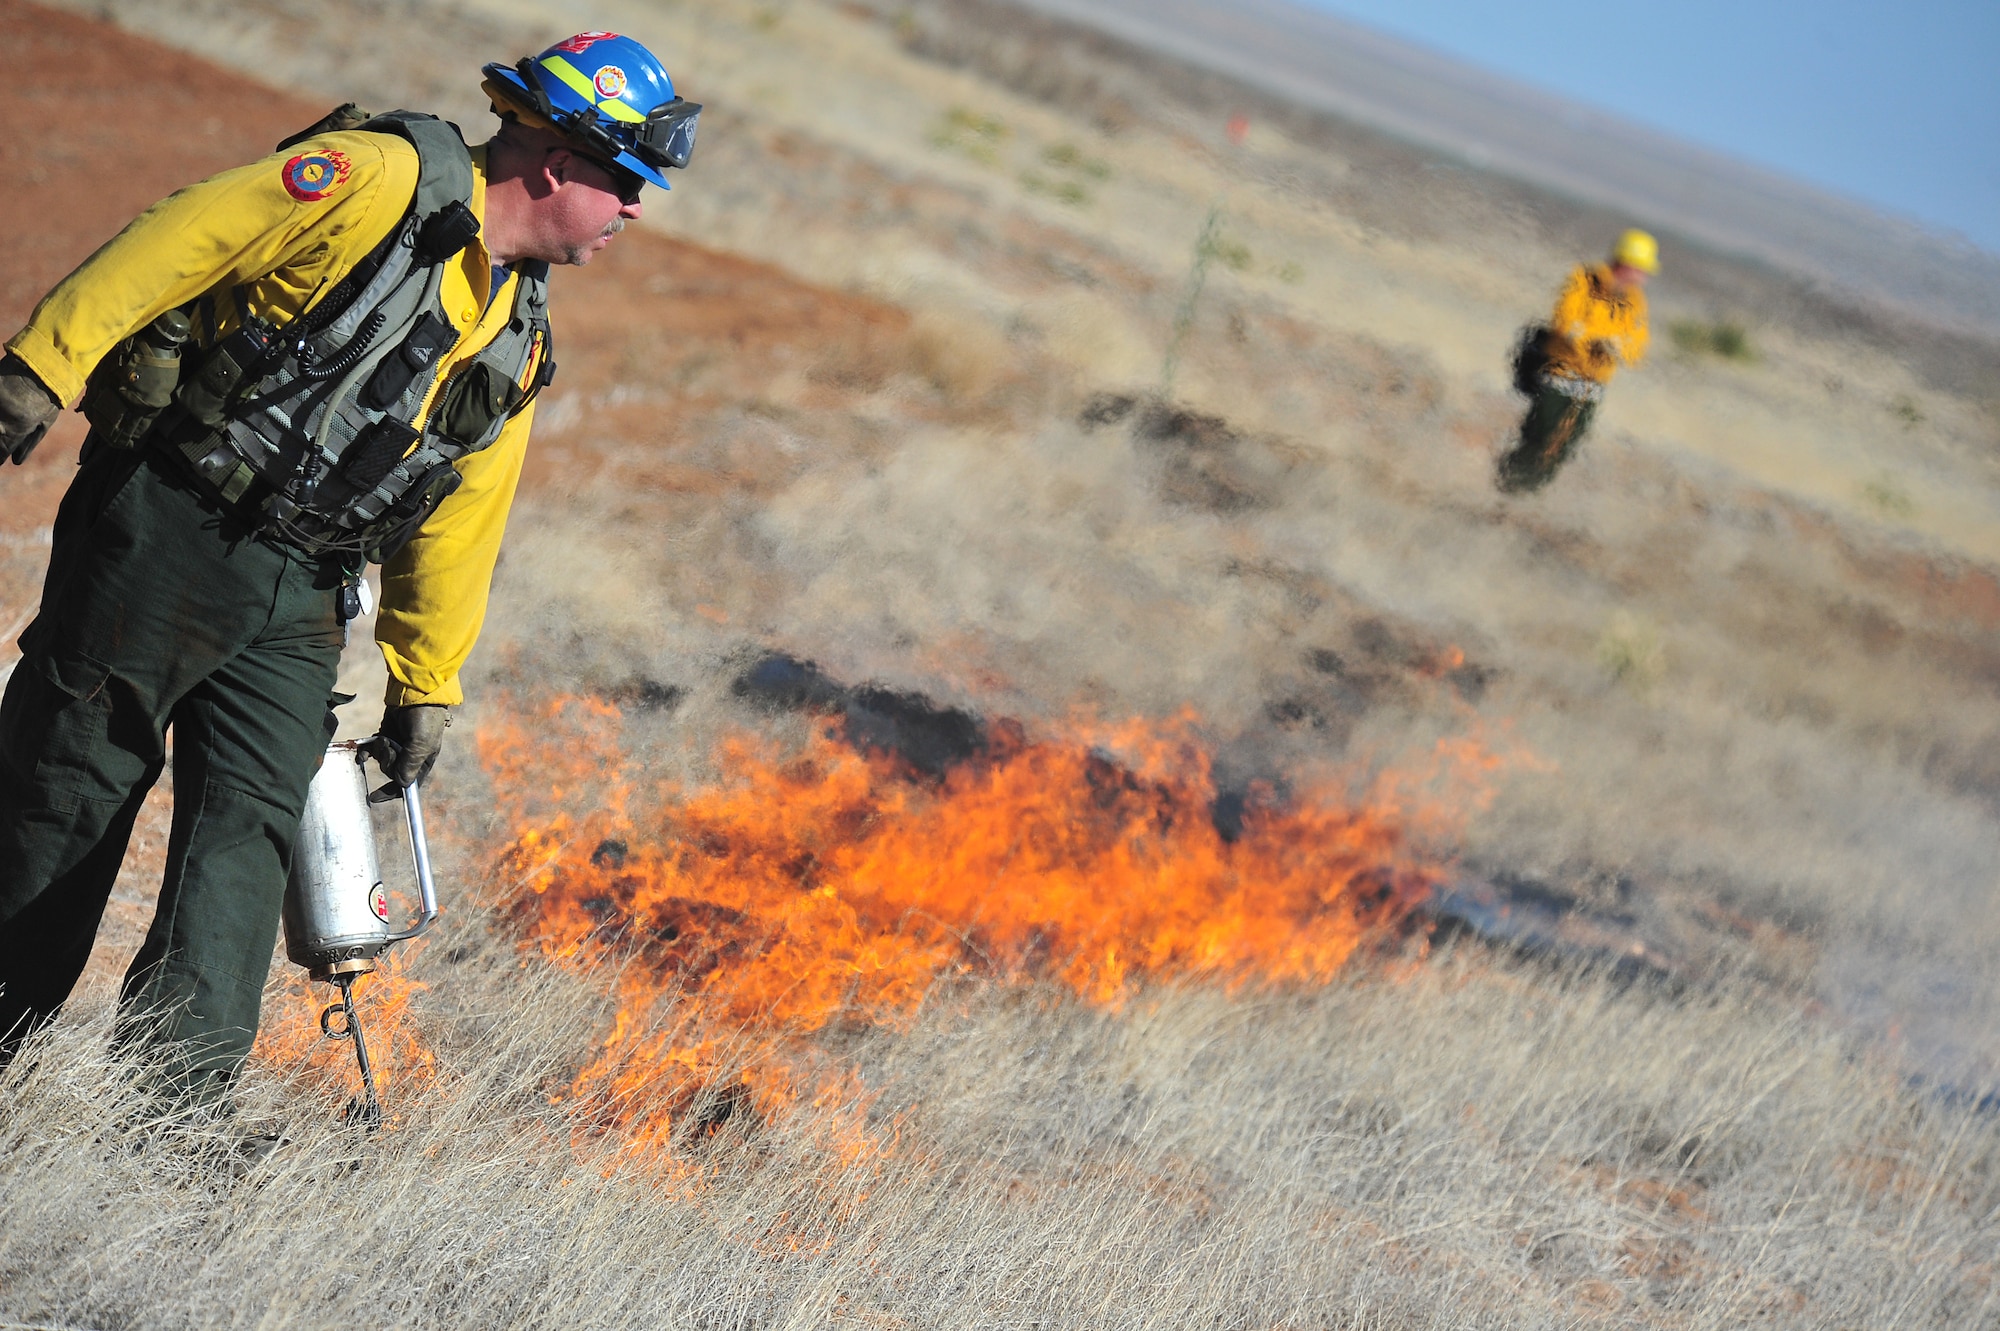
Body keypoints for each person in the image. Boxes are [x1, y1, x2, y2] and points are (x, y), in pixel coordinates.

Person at [0, 31, 700, 1103]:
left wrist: (427, 684)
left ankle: (173, 1109)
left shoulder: (514, 329)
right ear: (556, 163)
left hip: (303, 593)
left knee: (249, 824)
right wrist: (40, 366)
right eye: (627, 182)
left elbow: (462, 519)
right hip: (175, 519)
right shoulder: (379, 180)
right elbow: (184, 236)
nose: (637, 211)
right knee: (74, 784)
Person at [1497, 228, 1656, 492]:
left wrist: (1621, 349)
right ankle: (1505, 487)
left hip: (1592, 389)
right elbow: (1565, 321)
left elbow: (1638, 347)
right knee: (1538, 436)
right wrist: (1596, 340)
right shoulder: (1584, 280)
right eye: (1642, 270)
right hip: (1560, 375)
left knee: (1564, 449)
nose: (1644, 277)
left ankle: (1528, 495)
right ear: (1627, 264)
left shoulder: (1635, 301)